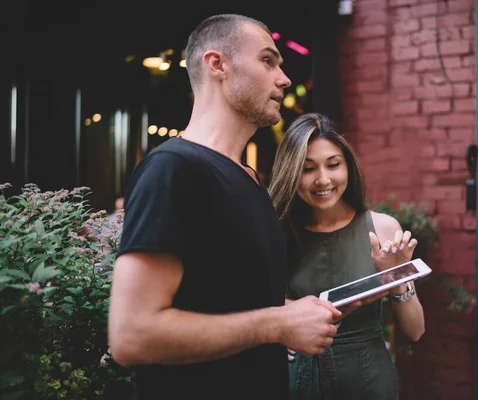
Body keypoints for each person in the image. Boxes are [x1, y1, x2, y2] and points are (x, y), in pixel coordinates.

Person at [108, 15, 343, 400]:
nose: (284, 79)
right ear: (217, 65)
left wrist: (298, 313)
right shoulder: (172, 168)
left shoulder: (249, 179)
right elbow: (132, 336)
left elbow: (225, 298)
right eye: (269, 61)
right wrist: (277, 323)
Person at [268, 113, 426, 400]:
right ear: (291, 172)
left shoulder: (382, 228)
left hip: (369, 386)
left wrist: (397, 278)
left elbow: (415, 330)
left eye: (333, 165)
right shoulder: (275, 233)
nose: (323, 180)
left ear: (348, 167)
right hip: (294, 386)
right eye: (308, 169)